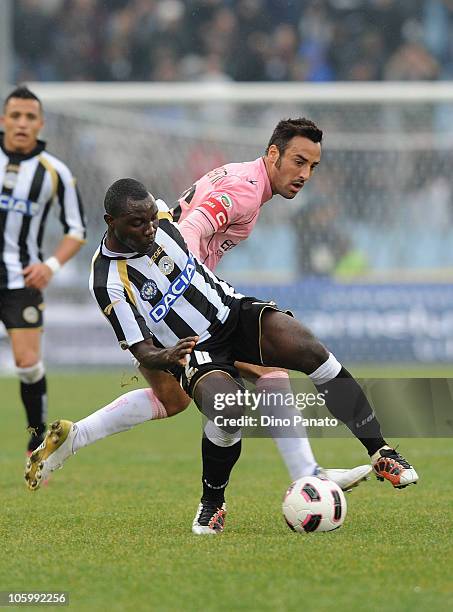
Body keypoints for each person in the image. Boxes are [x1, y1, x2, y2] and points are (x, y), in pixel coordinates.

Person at [25, 179, 418, 536]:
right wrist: (169, 354)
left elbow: (205, 193)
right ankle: (213, 502)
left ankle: (380, 451)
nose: (148, 230)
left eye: (150, 220)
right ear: (110, 221)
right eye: (136, 224)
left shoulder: (162, 215)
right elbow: (141, 349)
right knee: (227, 411)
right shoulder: (107, 280)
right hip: (197, 350)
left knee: (311, 350)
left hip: (233, 312)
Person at [29, 118, 371, 492]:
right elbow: (188, 233)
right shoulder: (243, 188)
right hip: (174, 314)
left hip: (165, 307)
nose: (304, 174)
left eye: (312, 166)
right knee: (267, 368)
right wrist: (186, 284)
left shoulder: (239, 179)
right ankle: (307, 475)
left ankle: (75, 436)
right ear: (274, 155)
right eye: (299, 162)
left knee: (171, 400)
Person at [0, 86, 86, 453]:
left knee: (28, 363)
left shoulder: (56, 173)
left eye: (29, 117)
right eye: (15, 116)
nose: (21, 123)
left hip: (22, 280)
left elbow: (76, 230)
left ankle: (36, 440)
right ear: (4, 120)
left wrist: (50, 265)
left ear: (40, 123)